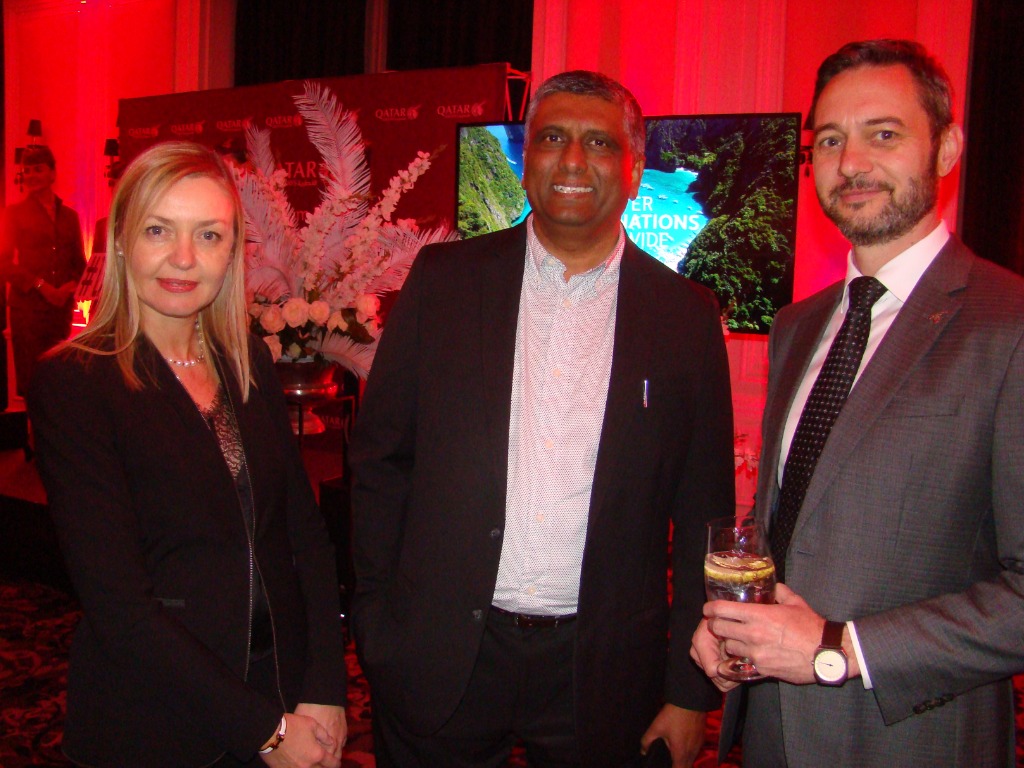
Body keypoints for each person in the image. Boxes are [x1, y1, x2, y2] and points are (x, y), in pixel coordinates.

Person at [349, 70, 735, 768]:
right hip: (442, 652)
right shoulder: (444, 281)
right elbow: (381, 462)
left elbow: (704, 513)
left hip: (603, 668)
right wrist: (379, 626)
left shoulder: (686, 316)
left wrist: (688, 692)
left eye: (600, 143)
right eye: (553, 138)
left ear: (635, 168)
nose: (574, 161)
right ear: (526, 161)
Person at [690, 39, 1024, 767]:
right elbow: (795, 518)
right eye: (831, 140)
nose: (851, 164)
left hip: (915, 741)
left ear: (946, 149)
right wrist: (734, 623)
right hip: (773, 731)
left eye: (884, 134)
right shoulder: (798, 325)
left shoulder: (1009, 323)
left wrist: (841, 649)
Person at [27, 141, 348, 767]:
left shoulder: (247, 361)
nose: (183, 257)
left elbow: (303, 537)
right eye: (158, 230)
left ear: (232, 251)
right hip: (156, 716)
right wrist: (266, 732)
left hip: (280, 687)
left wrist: (325, 686)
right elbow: (120, 608)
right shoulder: (76, 383)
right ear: (122, 240)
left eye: (208, 235)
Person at [0, 145, 86, 396]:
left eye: (37, 169)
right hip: (28, 310)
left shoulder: (69, 216)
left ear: (52, 173)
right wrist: (41, 286)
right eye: (27, 171)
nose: (31, 175)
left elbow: (79, 262)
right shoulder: (14, 214)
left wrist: (70, 287)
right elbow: (4, 263)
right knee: (33, 379)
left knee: (58, 376)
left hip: (60, 308)